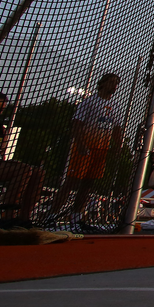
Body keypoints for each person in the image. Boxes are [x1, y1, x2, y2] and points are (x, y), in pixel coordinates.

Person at [49, 72, 123, 224]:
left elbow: (116, 129)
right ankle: (51, 215)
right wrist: (81, 144)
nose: (114, 85)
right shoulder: (89, 102)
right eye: (111, 81)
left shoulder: (115, 106)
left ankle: (77, 217)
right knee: (72, 181)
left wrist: (118, 148)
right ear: (102, 83)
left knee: (88, 184)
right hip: (85, 147)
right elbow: (77, 124)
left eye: (116, 83)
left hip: (101, 149)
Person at [0, 90, 44, 228]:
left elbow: (0, 150)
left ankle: (24, 219)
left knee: (38, 173)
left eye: (1, 110)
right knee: (22, 169)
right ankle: (7, 217)